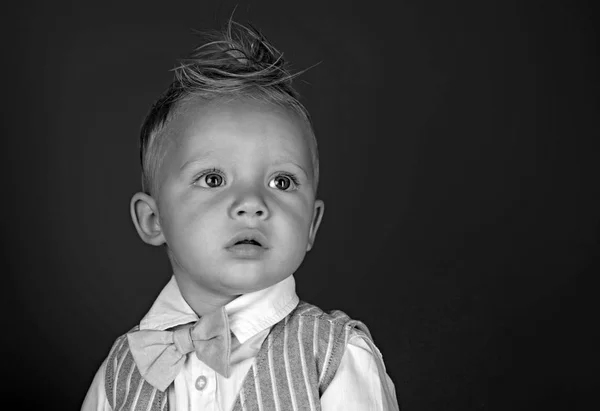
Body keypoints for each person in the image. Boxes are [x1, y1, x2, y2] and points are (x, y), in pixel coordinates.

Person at [82, 19, 399, 411]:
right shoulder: (122, 372)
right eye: (213, 178)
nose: (252, 203)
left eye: (282, 182)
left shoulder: (335, 358)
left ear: (311, 225)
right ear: (153, 219)